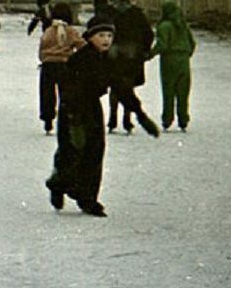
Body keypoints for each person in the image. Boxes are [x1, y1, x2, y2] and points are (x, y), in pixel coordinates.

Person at [45, 16, 158, 218]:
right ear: (90, 37)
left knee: (95, 151)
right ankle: (58, 184)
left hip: (92, 108)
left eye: (109, 35)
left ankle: (87, 198)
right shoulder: (80, 58)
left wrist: (140, 114)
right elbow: (69, 88)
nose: (106, 39)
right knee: (72, 152)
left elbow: (121, 87)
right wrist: (74, 118)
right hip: (73, 110)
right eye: (101, 35)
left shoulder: (108, 60)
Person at [106, 0, 157, 134]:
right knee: (128, 86)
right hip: (132, 54)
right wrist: (145, 49)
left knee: (115, 86)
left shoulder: (109, 13)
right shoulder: (136, 13)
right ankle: (127, 119)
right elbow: (148, 33)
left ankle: (112, 119)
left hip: (114, 54)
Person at [148, 0, 197, 132]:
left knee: (168, 90)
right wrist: (186, 54)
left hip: (169, 60)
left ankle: (167, 120)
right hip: (184, 60)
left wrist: (150, 54)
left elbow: (162, 45)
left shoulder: (164, 26)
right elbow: (192, 43)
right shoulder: (183, 26)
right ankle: (183, 120)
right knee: (183, 92)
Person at [38, 2, 86, 134]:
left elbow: (42, 49)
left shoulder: (48, 31)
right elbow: (82, 46)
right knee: (66, 94)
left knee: (47, 94)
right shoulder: (71, 31)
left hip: (48, 66)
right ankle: (66, 118)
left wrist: (44, 59)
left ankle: (48, 120)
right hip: (65, 65)